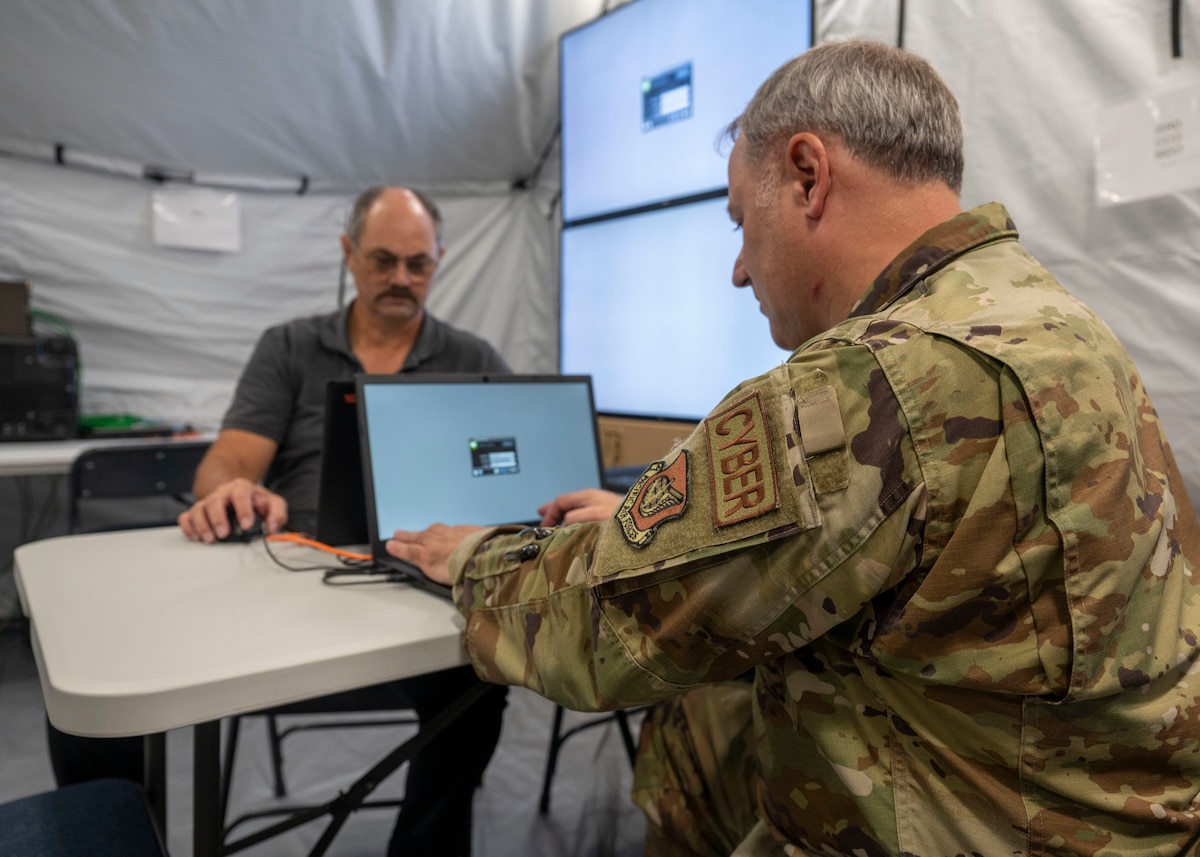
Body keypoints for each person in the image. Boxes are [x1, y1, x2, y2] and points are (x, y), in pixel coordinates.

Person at [384, 41, 1200, 857]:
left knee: (695, 704)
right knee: (709, 714)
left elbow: (607, 625)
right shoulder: (1062, 323)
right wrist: (652, 529)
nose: (739, 270)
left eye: (742, 220)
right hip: (1114, 811)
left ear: (807, 176)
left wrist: (469, 553)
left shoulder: (869, 380)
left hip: (974, 827)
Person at [48, 186, 509, 857]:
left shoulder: (475, 358)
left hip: (425, 578)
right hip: (296, 578)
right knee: (97, 687)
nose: (401, 280)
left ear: (440, 259)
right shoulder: (291, 346)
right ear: (349, 254)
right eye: (383, 260)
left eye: (419, 264)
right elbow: (228, 460)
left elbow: (507, 476)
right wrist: (232, 489)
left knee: (482, 674)